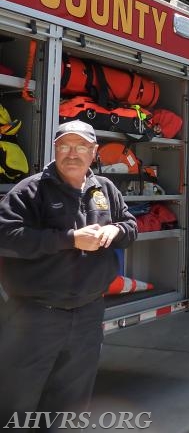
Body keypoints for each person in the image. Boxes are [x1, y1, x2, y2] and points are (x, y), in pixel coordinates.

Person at [0, 120, 137, 424]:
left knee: (71, 404)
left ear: (94, 152)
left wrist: (115, 230)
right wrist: (70, 239)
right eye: (65, 145)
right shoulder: (31, 189)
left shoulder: (105, 189)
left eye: (81, 147)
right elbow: (6, 237)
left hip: (88, 313)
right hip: (33, 317)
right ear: (55, 150)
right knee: (15, 402)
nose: (72, 153)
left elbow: (131, 227)